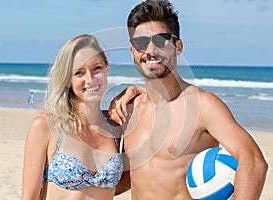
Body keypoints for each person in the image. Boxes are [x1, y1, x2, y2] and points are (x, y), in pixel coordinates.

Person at [108, 0, 268, 199]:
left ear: (178, 46)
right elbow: (129, 179)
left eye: (161, 40)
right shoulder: (129, 109)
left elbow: (253, 162)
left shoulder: (203, 106)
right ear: (132, 52)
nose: (150, 50)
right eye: (140, 43)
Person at [21, 34, 130, 200]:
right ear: (67, 80)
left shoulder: (115, 127)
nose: (90, 79)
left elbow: (126, 182)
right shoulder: (46, 126)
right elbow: (29, 197)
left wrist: (135, 90)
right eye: (79, 72)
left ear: (107, 67)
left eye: (97, 68)